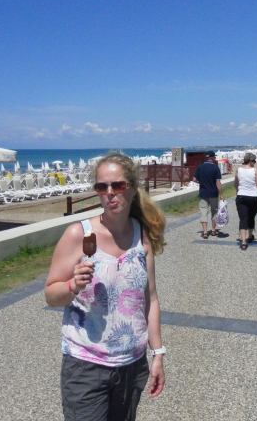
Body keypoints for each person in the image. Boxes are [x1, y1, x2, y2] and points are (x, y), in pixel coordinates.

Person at [44, 153, 166, 420]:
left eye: (118, 185)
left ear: (132, 188)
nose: (110, 193)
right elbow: (51, 294)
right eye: (102, 187)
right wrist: (72, 285)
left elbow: (151, 300)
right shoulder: (79, 234)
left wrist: (157, 353)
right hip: (86, 366)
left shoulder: (141, 235)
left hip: (132, 365)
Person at [234, 152, 257, 250]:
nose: (255, 162)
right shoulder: (255, 170)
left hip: (241, 196)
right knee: (251, 217)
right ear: (250, 161)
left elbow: (236, 183)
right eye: (254, 161)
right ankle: (250, 236)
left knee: (243, 218)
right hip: (253, 197)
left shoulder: (238, 170)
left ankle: (243, 241)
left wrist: (237, 191)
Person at [194, 150, 222, 239]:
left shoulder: (200, 167)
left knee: (203, 212)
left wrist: (201, 182)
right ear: (212, 157)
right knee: (214, 212)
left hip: (203, 193)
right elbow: (218, 182)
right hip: (214, 193)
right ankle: (213, 230)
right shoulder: (215, 168)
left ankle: (205, 232)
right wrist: (221, 193)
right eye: (214, 157)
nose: (215, 158)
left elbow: (194, 179)